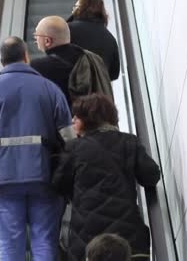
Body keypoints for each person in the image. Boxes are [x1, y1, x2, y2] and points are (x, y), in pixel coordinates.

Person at [0, 36, 73, 261]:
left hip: (3, 176)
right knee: (44, 240)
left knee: (10, 244)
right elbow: (69, 137)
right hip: (44, 174)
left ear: (2, 61)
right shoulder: (49, 88)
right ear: (26, 57)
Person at [52, 94, 160, 261]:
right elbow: (151, 175)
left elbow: (59, 184)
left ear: (90, 118)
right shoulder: (128, 142)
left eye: (77, 116)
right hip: (129, 240)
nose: (72, 120)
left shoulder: (74, 148)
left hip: (86, 240)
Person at [30, 16, 112, 110]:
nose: (35, 38)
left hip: (67, 123)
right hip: (94, 119)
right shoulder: (92, 59)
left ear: (47, 41)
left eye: (36, 35)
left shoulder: (38, 67)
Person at [69, 0, 120, 80]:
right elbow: (114, 74)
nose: (73, 10)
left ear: (82, 8)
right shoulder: (110, 39)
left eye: (76, 7)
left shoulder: (68, 29)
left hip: (70, 86)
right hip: (98, 90)